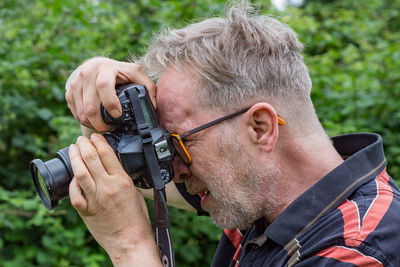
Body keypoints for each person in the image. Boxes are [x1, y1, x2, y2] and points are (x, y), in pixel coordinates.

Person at [65, 2, 400, 266]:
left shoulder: (358, 249)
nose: (176, 168)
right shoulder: (261, 195)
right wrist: (101, 108)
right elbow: (143, 180)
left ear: (260, 129)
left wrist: (130, 246)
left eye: (179, 142)